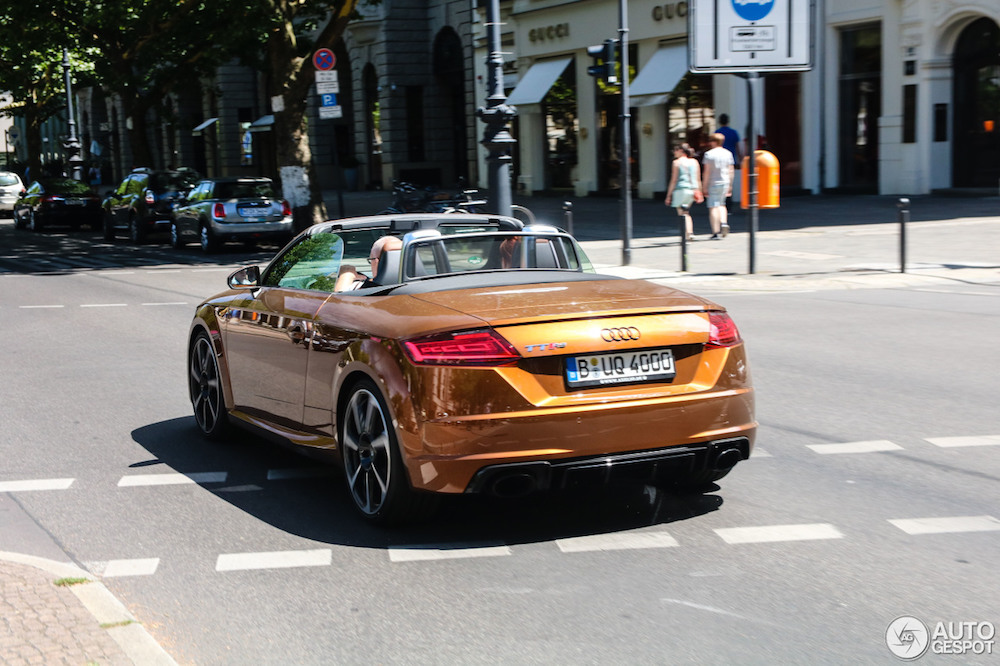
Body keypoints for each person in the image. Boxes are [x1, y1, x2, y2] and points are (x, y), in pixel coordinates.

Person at [334, 235, 402, 291]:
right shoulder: (411, 288)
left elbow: (337, 301)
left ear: (376, 261)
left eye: (371, 259)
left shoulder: (362, 289)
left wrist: (347, 274)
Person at [664, 143, 702, 241]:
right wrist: (699, 191)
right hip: (692, 190)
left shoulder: (676, 162)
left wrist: (668, 195)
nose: (674, 152)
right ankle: (690, 232)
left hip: (680, 190)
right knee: (686, 212)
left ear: (681, 151)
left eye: (675, 150)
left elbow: (674, 180)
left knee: (682, 213)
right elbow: (698, 179)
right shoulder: (694, 162)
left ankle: (687, 234)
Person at [702, 133, 735, 240]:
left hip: (713, 182)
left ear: (713, 142)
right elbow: (731, 170)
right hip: (725, 181)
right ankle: (724, 222)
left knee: (713, 206)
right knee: (722, 204)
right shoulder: (728, 153)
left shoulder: (708, 154)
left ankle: (715, 231)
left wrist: (704, 186)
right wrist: (730, 184)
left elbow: (706, 172)